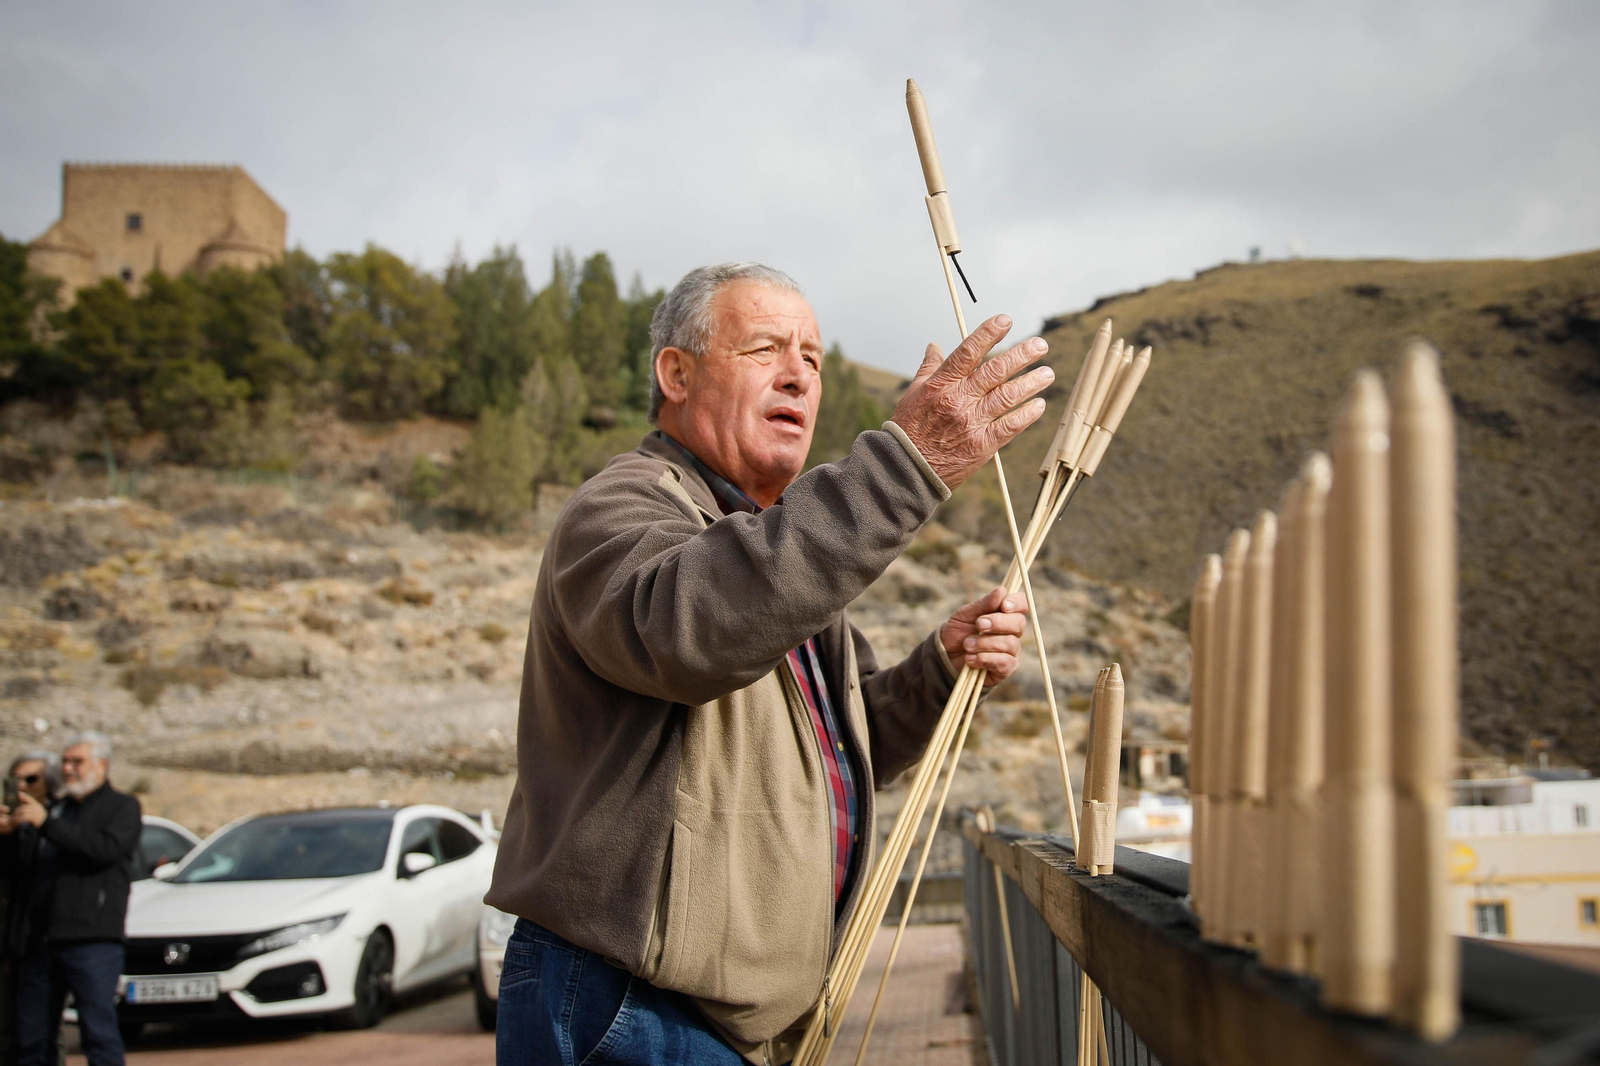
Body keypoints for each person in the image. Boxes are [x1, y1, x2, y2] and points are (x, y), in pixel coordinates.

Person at [487, 263, 1055, 1065]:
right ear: (676, 374)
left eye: (814, 360)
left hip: (721, 1028)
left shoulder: (777, 553)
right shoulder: (620, 506)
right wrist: (905, 465)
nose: (799, 374)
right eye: (765, 348)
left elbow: (845, 750)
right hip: (633, 1009)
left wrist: (939, 670)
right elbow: (687, 631)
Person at [6, 733, 140, 1066]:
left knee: (98, 1034)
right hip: (42, 942)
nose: (68, 769)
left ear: (101, 765)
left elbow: (102, 849)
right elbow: (23, 872)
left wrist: (47, 824)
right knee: (32, 1039)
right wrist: (10, 836)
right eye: (65, 762)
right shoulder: (58, 810)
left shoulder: (122, 807)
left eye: (76, 762)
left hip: (91, 941)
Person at [0, 752, 62, 1066]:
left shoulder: (62, 821)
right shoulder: (16, 830)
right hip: (19, 943)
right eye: (15, 780)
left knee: (43, 1034)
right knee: (21, 1034)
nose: (22, 787)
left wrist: (45, 823)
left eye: (31, 779)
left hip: (52, 940)